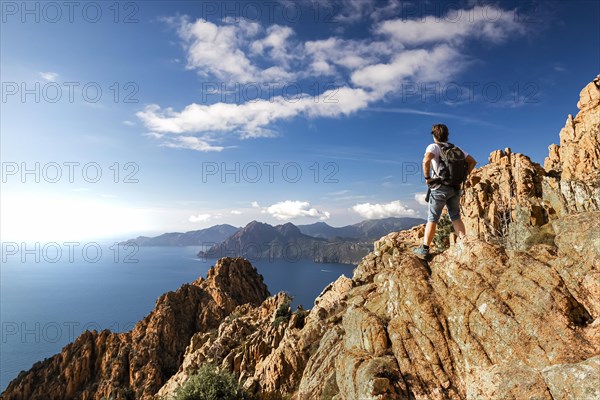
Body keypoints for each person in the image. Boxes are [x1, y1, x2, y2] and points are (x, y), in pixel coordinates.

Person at [413, 124, 477, 260]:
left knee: (432, 218)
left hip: (439, 188)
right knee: (455, 216)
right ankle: (464, 244)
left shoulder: (433, 147)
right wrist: (464, 177)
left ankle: (424, 249)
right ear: (447, 135)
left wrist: (427, 178)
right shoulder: (456, 149)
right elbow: (472, 161)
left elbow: (426, 161)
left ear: (434, 135)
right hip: (455, 187)